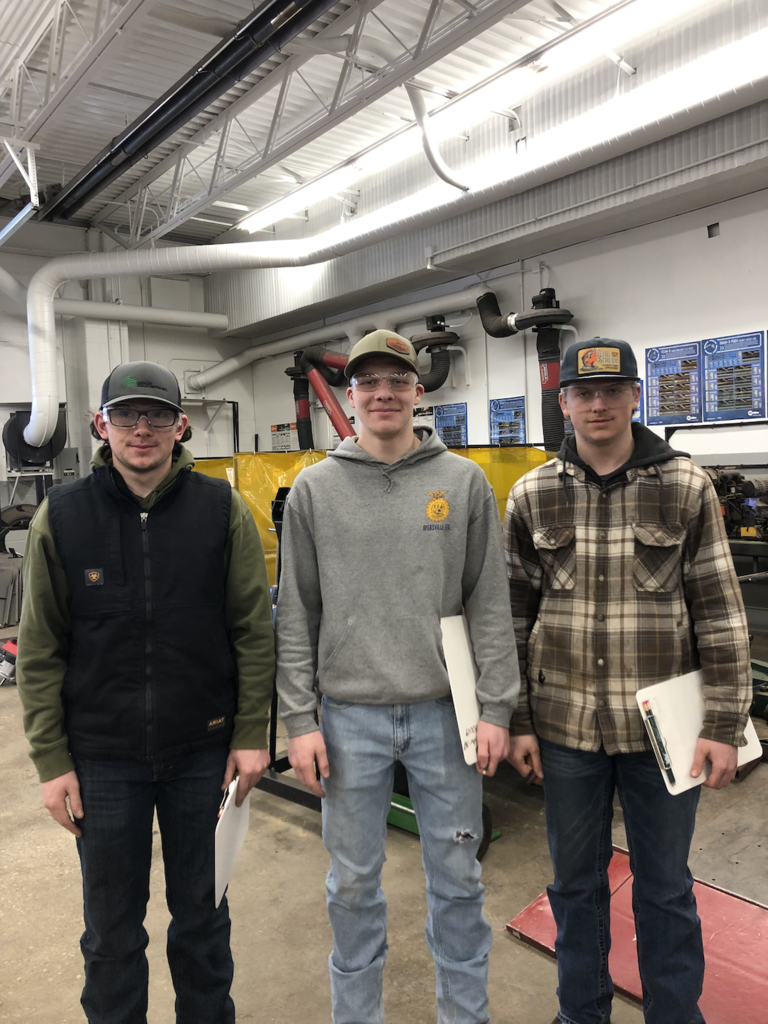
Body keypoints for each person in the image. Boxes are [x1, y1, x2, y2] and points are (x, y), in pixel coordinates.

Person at [16, 361, 275, 1024]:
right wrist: (52, 761)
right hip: (102, 761)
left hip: (202, 753)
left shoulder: (221, 509)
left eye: (157, 415)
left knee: (203, 922)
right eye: (126, 415)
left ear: (180, 425)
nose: (141, 428)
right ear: (100, 425)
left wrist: (250, 733)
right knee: (111, 934)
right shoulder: (62, 516)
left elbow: (252, 629)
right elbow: (40, 649)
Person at [503, 338, 752, 1024]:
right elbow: (510, 617)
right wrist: (517, 720)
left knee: (665, 887)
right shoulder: (532, 494)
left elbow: (720, 611)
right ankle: (580, 1014)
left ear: (636, 396)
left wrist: (724, 725)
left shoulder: (686, 486)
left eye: (613, 390)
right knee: (574, 886)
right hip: (565, 730)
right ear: (564, 403)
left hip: (661, 734)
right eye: (584, 392)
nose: (599, 404)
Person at [275, 329, 519, 1024]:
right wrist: (299, 721)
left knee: (460, 883)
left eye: (397, 381)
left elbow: (490, 604)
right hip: (347, 720)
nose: (383, 393)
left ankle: (465, 1016)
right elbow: (296, 613)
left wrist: (496, 709)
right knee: (351, 887)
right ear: (350, 395)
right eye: (369, 383)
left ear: (418, 392)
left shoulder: (463, 483)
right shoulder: (315, 489)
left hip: (446, 718)